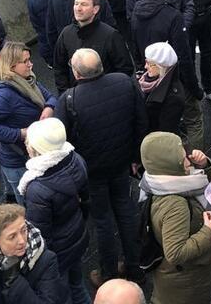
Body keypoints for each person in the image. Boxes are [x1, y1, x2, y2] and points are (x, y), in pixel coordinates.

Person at [56, 48, 146, 288]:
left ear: (76, 73)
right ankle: (136, 267)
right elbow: (140, 120)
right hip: (121, 163)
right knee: (126, 211)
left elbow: (62, 142)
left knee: (103, 221)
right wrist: (136, 156)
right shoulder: (125, 83)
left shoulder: (69, 99)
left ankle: (109, 274)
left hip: (92, 173)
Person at [138, 131, 211, 304]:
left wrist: (203, 165)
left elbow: (196, 186)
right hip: (188, 284)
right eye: (182, 158)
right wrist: (208, 231)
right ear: (169, 163)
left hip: (175, 280)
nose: (188, 160)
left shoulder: (157, 181)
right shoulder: (175, 205)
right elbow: (175, 253)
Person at [0, 42, 58, 204]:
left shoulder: (28, 80)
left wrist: (48, 108)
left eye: (30, 59)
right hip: (20, 164)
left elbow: (51, 97)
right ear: (11, 66)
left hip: (35, 155)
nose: (30, 64)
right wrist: (21, 133)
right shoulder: (4, 95)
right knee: (32, 210)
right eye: (25, 61)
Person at [19, 118, 91, 304]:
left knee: (61, 294)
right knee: (78, 284)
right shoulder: (75, 159)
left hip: (57, 252)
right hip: (77, 236)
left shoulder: (37, 188)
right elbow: (86, 201)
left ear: (36, 149)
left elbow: (41, 234)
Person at [132, 0, 205, 146]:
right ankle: (197, 166)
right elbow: (183, 56)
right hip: (174, 80)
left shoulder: (136, 12)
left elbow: (135, 47)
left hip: (151, 77)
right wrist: (194, 89)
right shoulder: (173, 15)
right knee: (194, 120)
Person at [0, 203, 65, 304]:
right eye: (12, 237)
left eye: (23, 230)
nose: (22, 241)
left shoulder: (46, 261)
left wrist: (14, 281)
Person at [52, 0, 134, 94]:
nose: (78, 8)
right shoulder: (66, 34)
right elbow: (59, 68)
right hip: (77, 98)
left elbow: (125, 69)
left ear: (95, 9)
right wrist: (67, 94)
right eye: (76, 4)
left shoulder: (110, 35)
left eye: (84, 4)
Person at [138, 41, 187, 137]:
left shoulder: (173, 99)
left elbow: (165, 133)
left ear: (161, 67)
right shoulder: (153, 79)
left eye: (149, 63)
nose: (145, 66)